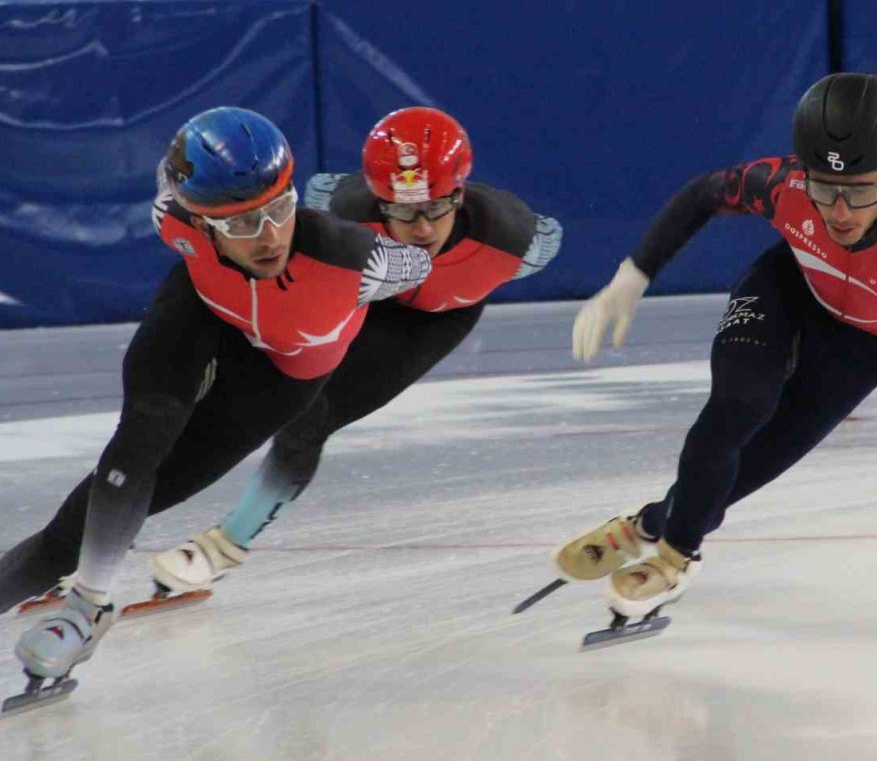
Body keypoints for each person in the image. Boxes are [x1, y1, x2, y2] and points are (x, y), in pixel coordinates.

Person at [0, 107, 433, 710]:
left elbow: (426, 259)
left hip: (281, 373)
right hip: (204, 312)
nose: (267, 236)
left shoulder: (360, 260)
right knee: (132, 447)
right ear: (200, 220)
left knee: (88, 522)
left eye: (277, 210)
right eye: (240, 224)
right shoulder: (172, 213)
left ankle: (67, 608)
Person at [553, 72, 877, 626]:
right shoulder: (783, 184)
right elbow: (704, 194)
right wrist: (632, 276)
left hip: (866, 344)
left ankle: (650, 525)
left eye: (859, 191)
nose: (839, 211)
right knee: (737, 407)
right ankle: (678, 557)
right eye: (824, 188)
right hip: (790, 287)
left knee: (762, 456)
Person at [144, 106, 563, 596]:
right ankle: (108, 516)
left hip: (429, 320)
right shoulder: (341, 206)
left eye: (436, 208)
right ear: (376, 198)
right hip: (361, 291)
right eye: (401, 210)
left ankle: (225, 547)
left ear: (462, 193)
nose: (421, 229)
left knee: (312, 419)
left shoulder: (517, 239)